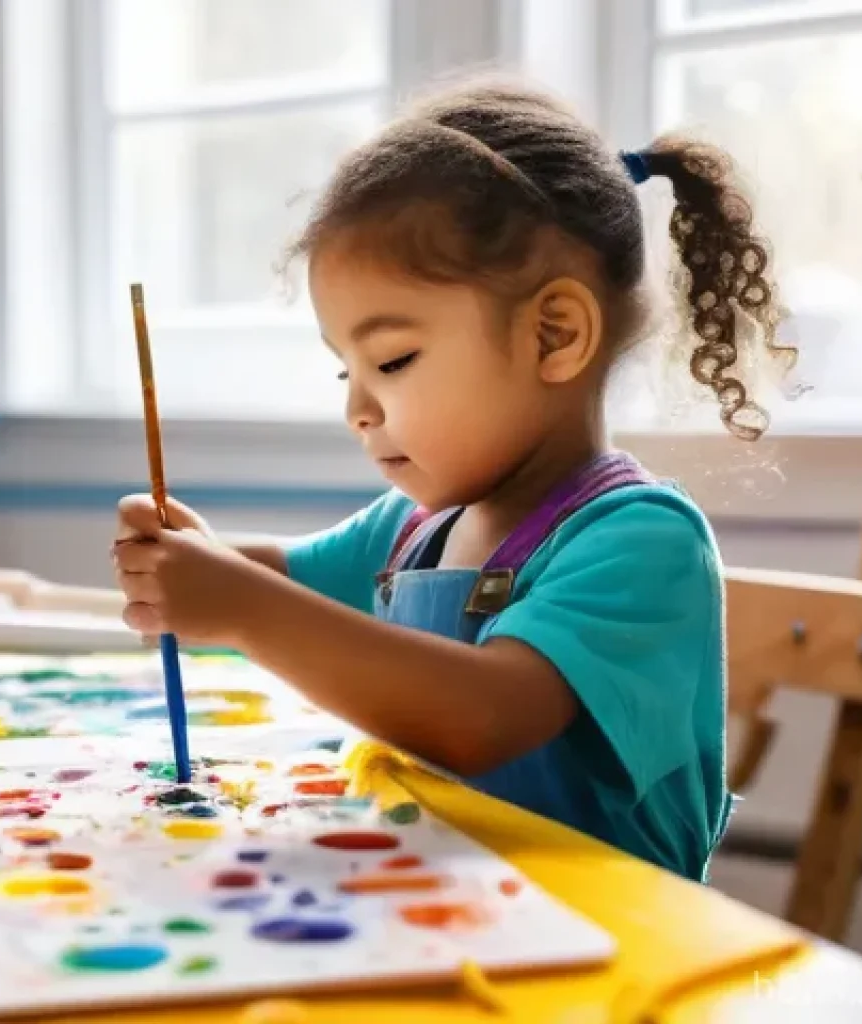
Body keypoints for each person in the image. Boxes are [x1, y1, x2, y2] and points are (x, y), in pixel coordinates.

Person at [112, 80, 797, 882]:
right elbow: (287, 582)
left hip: (602, 963)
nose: (359, 410)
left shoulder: (639, 542)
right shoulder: (412, 528)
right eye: (346, 371)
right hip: (448, 919)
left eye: (393, 360)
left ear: (555, 334)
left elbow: (481, 717)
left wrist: (237, 604)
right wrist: (189, 559)